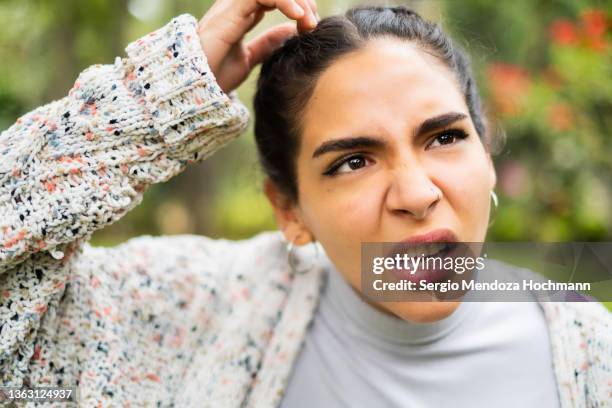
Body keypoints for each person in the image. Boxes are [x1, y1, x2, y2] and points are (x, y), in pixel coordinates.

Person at [0, 0, 609, 406]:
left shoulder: (589, 353)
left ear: (487, 154)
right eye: (353, 161)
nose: (418, 195)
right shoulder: (195, 313)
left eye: (445, 137)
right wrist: (160, 96)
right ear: (290, 211)